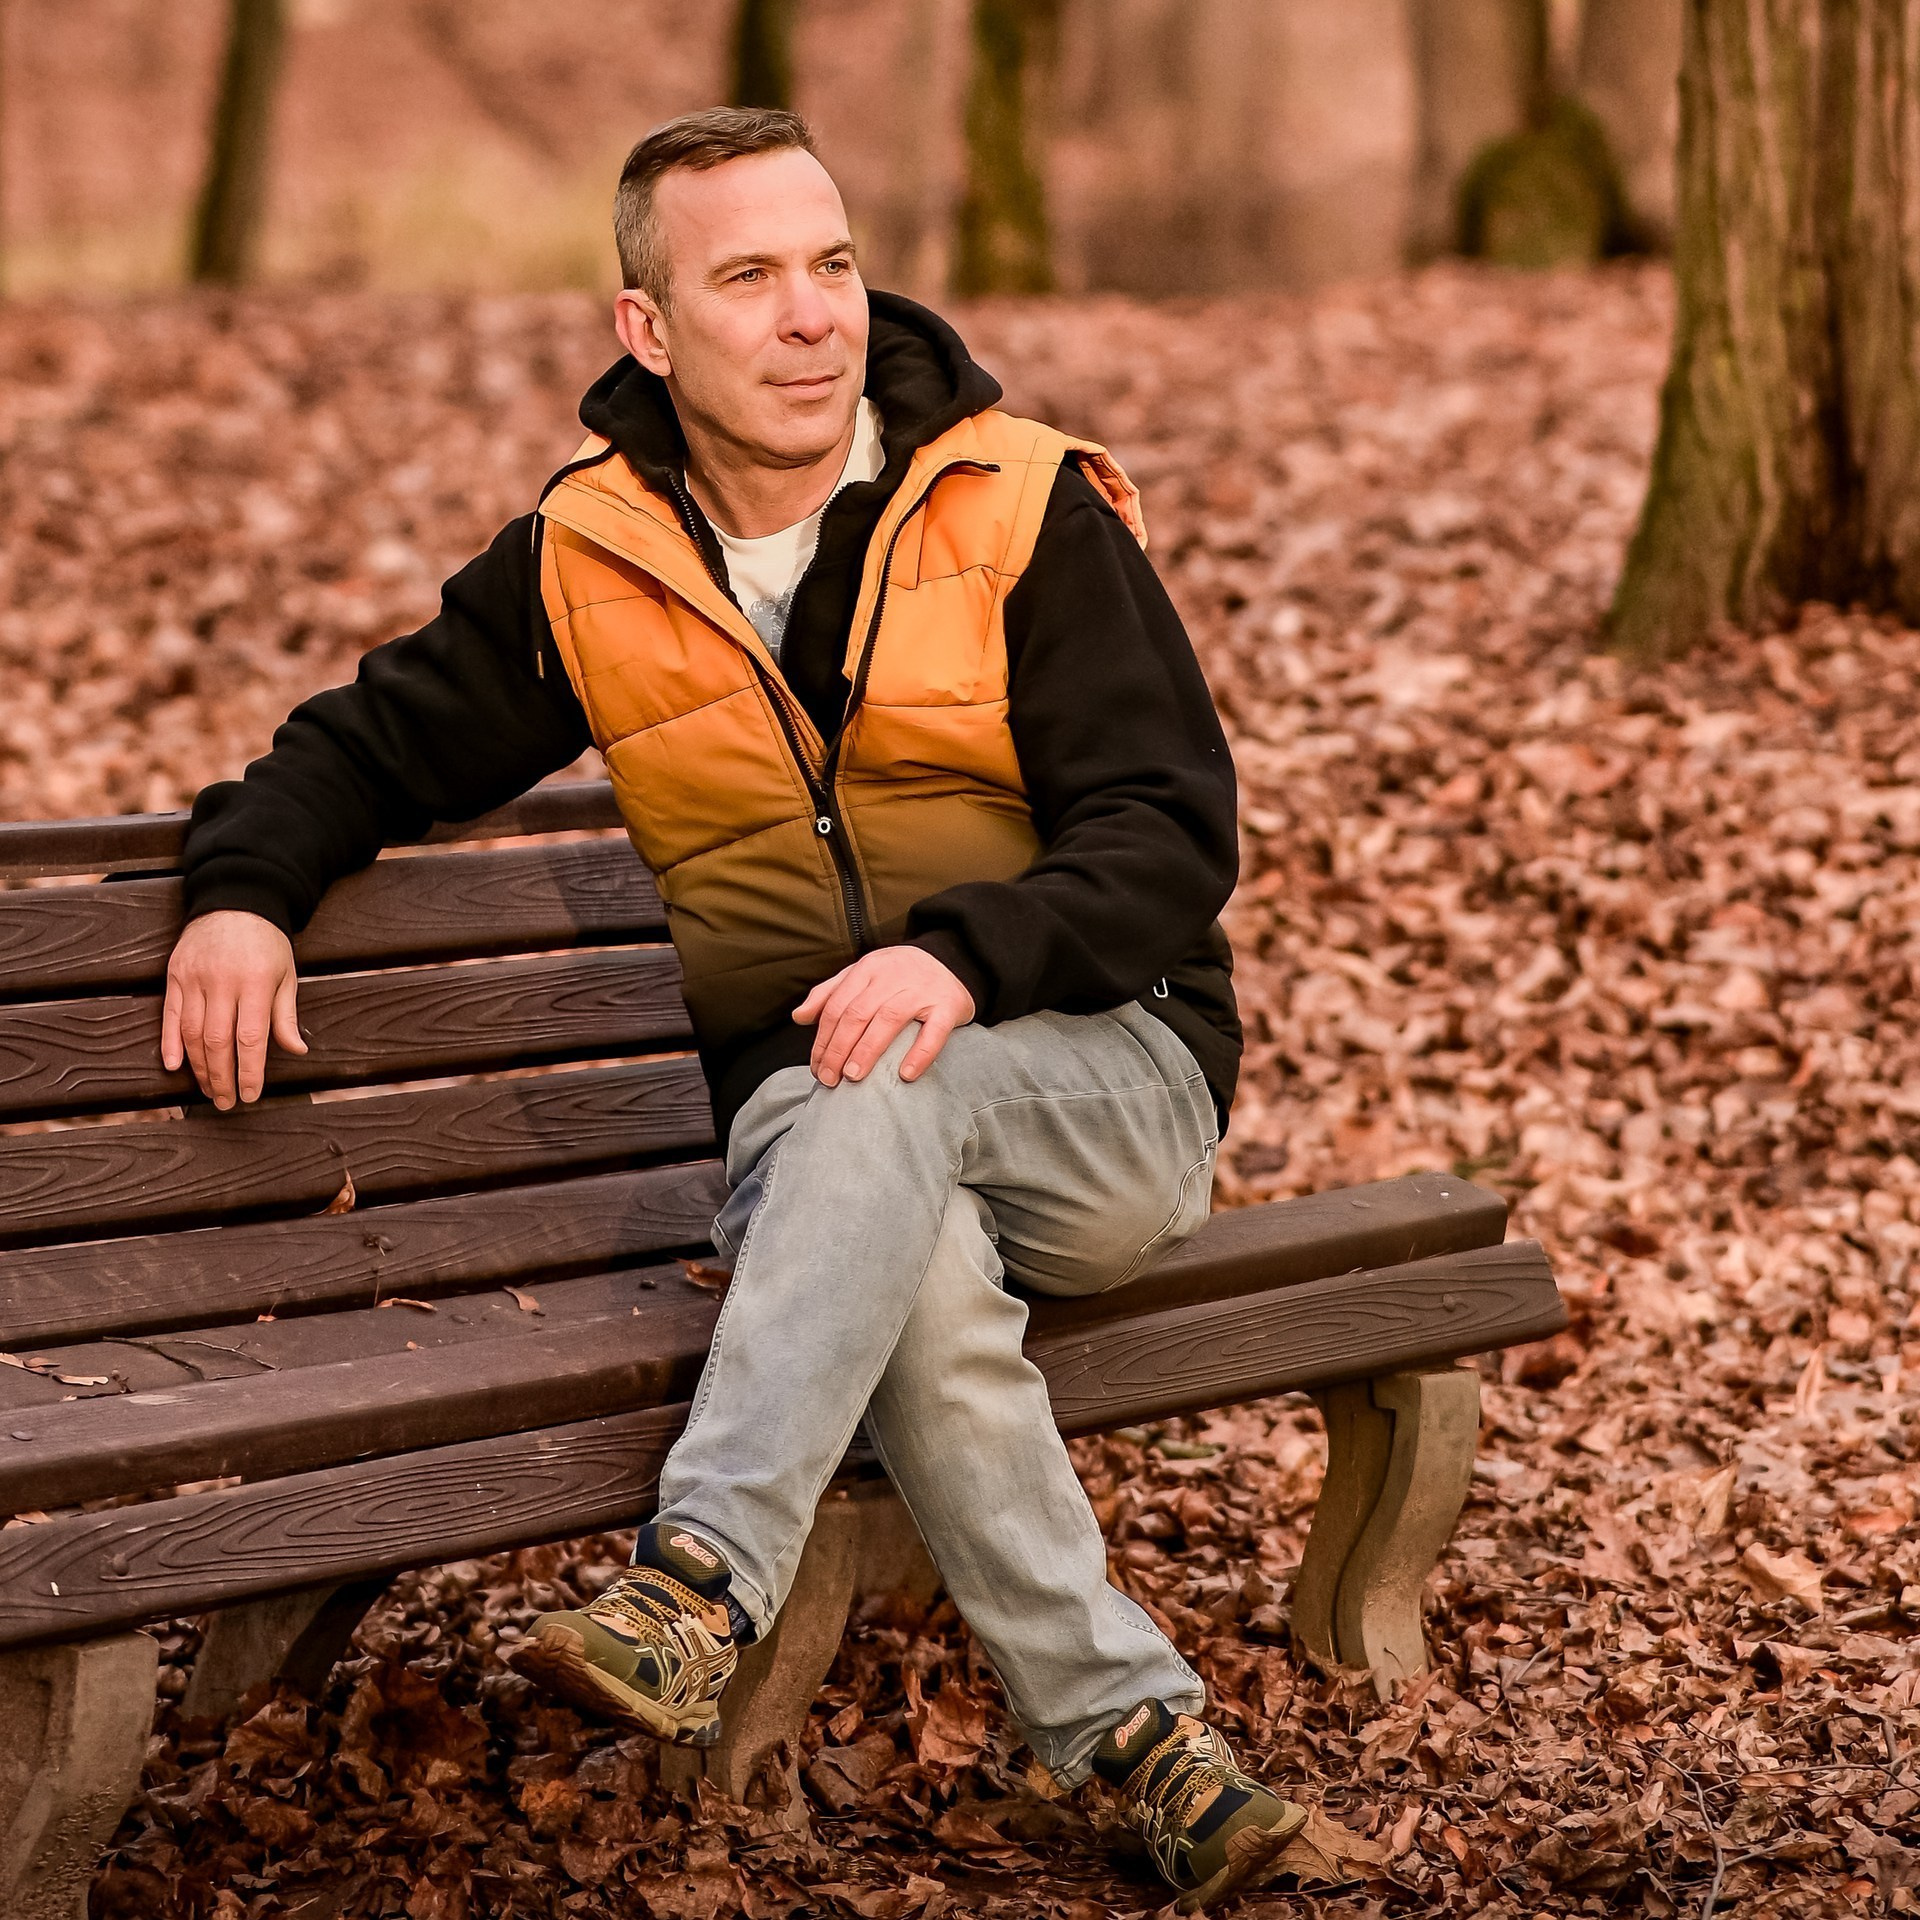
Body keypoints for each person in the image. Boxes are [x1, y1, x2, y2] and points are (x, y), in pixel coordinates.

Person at [163, 107, 1305, 1911]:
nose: (811, 316)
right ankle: (1139, 1740)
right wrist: (242, 894)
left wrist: (966, 956)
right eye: (750, 276)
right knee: (898, 1233)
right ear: (649, 331)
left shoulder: (1017, 506)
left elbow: (1170, 837)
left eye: (833, 264)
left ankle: (698, 1577)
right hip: (821, 1119)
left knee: (889, 1100)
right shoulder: (594, 557)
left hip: (1103, 1076)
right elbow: (363, 743)